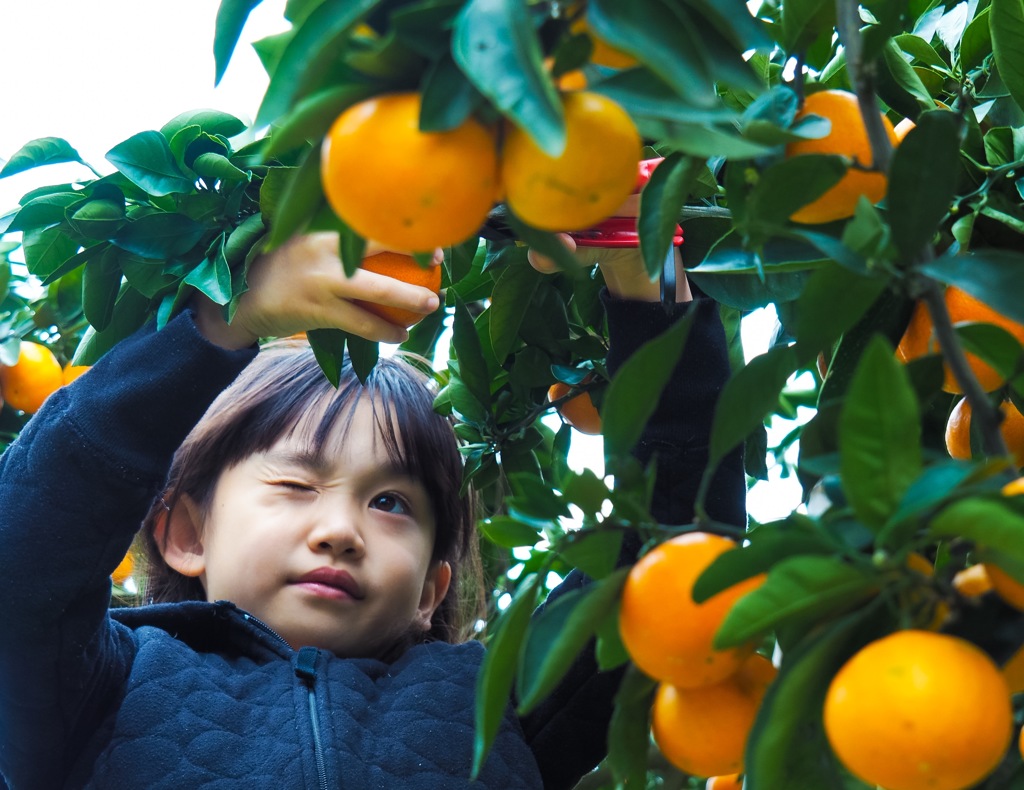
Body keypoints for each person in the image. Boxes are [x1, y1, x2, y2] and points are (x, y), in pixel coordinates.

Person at [0, 223, 744, 788]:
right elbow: (26, 554)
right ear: (187, 534)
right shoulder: (100, 684)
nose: (340, 531)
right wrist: (224, 321)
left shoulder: (494, 705)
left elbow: (678, 557)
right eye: (294, 486)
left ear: (430, 588)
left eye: (390, 502)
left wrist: (643, 268)